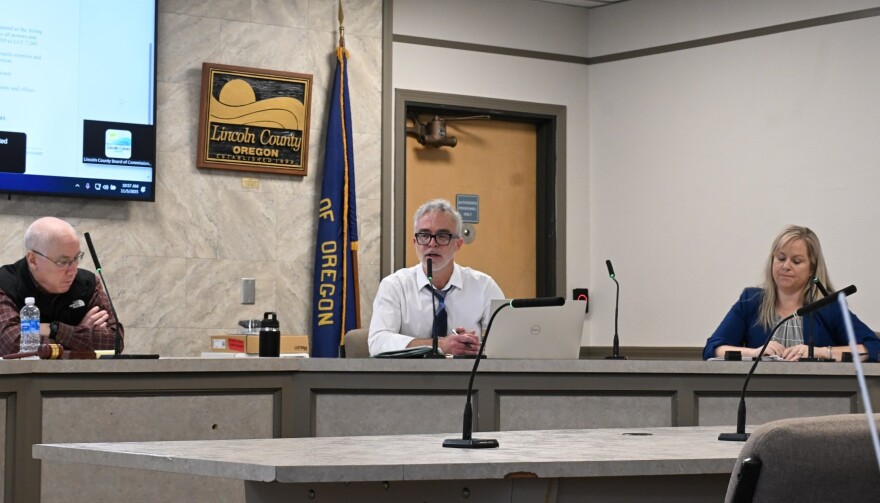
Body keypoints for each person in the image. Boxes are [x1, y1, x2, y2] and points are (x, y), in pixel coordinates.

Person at [703, 225, 879, 362]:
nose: (786, 266)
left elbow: (874, 348)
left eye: (796, 261)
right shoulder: (751, 301)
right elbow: (714, 348)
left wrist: (822, 352)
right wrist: (755, 352)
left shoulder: (829, 307)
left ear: (812, 269)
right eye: (781, 258)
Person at [369, 199, 504, 356]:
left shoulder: (484, 286)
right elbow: (378, 342)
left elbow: (507, 343)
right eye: (424, 235)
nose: (432, 244)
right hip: (409, 372)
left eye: (442, 236)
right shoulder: (395, 285)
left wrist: (473, 346)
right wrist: (441, 345)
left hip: (468, 372)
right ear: (415, 242)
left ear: (458, 244)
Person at [0, 217, 122, 357]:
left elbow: (115, 341)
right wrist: (79, 332)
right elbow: (13, 346)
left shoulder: (87, 283)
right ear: (33, 260)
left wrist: (53, 329)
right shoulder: (4, 284)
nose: (73, 270)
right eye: (63, 262)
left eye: (76, 258)